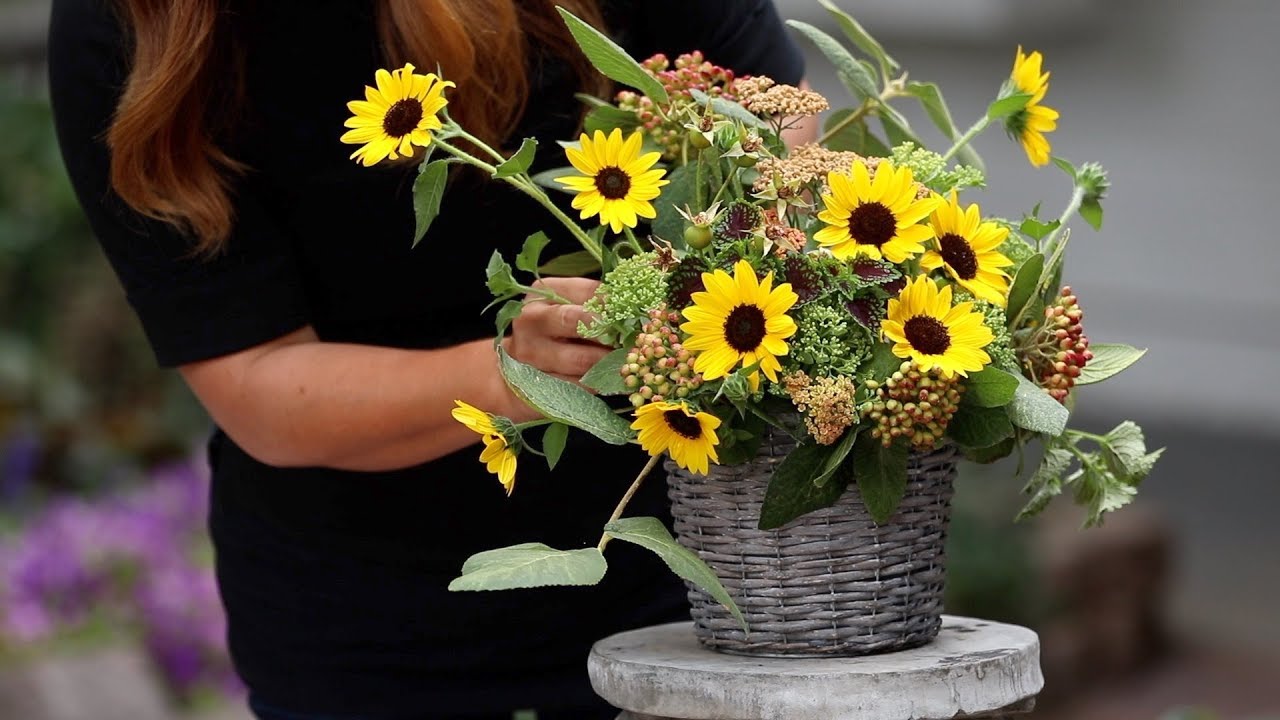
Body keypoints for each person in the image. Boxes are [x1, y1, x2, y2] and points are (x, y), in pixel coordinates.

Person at [48, 1, 807, 717]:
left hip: (692, 566)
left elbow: (785, 133)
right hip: (361, 623)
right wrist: (511, 373)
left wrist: (706, 262)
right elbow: (258, 382)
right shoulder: (132, 26)